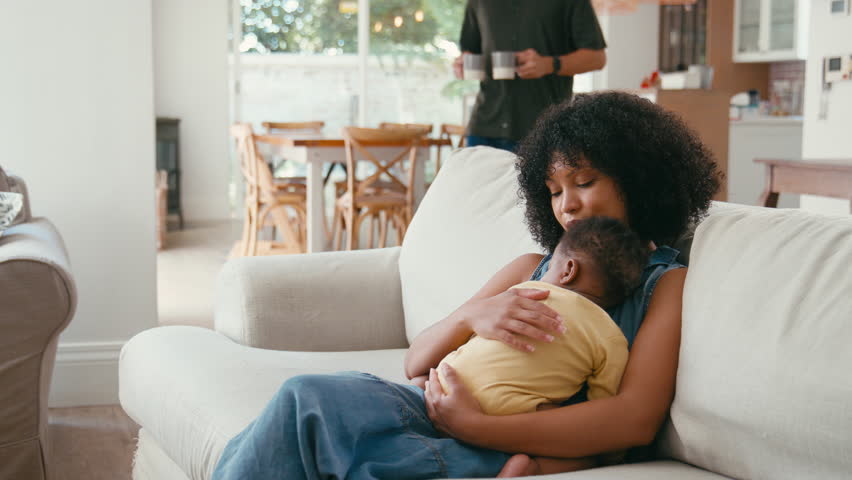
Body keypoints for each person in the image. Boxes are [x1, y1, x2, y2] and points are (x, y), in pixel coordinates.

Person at [211, 91, 722, 480]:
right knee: (303, 400)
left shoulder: (665, 285)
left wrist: (477, 427)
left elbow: (632, 422)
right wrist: (470, 317)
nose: (566, 204)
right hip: (427, 406)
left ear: (639, 179)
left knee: (319, 435)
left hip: (501, 438)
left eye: (584, 182)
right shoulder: (529, 269)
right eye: (554, 191)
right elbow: (416, 363)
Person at [439, 216, 649, 418]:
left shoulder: (524, 291)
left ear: (568, 270)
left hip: (447, 384)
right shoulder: (610, 337)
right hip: (516, 412)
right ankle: (533, 458)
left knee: (420, 383)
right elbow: (602, 409)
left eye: (549, 267)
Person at [455, 0, 607, 152]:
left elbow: (597, 58)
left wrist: (550, 64)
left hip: (544, 132)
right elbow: (470, 51)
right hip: (483, 130)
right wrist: (462, 63)